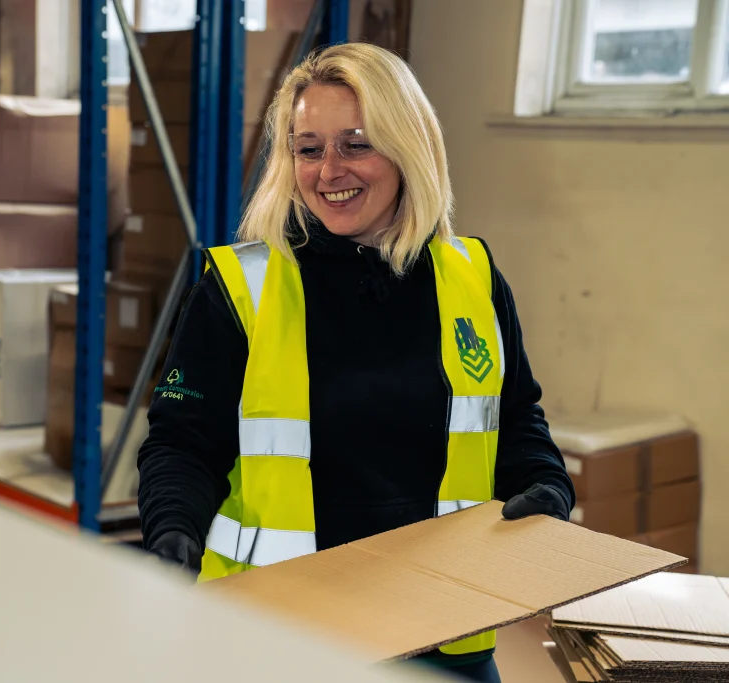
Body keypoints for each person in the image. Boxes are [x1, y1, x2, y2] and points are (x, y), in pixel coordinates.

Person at [136, 42, 574, 683]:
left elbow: (515, 418)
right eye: (308, 148)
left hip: (443, 636)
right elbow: (181, 443)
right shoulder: (241, 289)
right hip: (283, 637)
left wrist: (546, 483)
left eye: (357, 143)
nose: (328, 170)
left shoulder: (472, 277)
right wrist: (171, 533)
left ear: (408, 147)